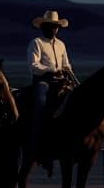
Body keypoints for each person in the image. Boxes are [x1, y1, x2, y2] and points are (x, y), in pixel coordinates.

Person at [28, 10, 75, 149]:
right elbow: (33, 66)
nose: (54, 29)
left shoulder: (61, 44)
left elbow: (66, 64)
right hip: (43, 80)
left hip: (62, 80)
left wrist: (69, 73)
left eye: (56, 26)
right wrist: (52, 70)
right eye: (50, 26)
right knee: (41, 101)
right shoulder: (36, 43)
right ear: (43, 27)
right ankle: (36, 135)